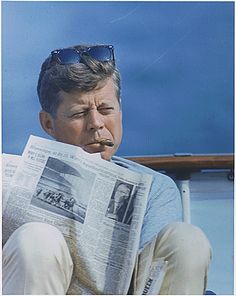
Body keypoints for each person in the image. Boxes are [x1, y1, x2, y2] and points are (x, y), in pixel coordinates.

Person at [2, 44, 212, 295]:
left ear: (120, 109)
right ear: (48, 123)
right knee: (36, 238)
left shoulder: (155, 189)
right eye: (79, 113)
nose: (96, 123)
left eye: (106, 109)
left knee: (186, 240)